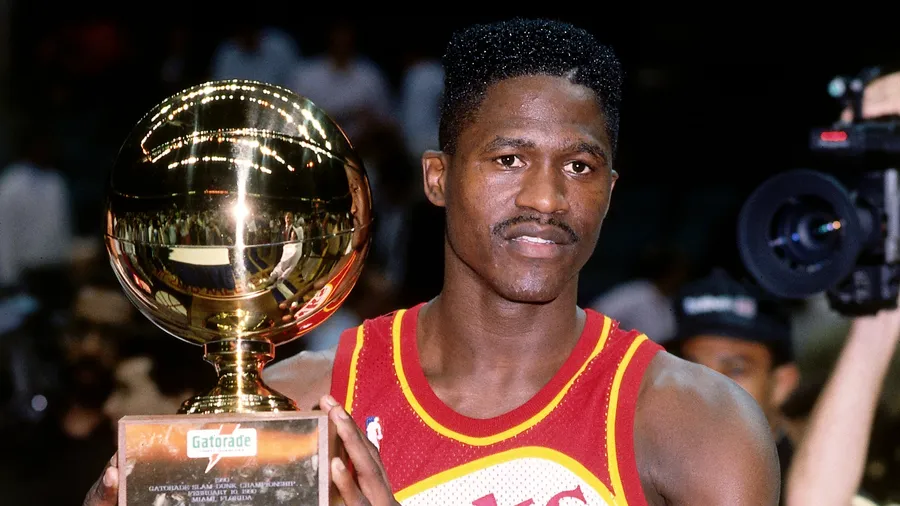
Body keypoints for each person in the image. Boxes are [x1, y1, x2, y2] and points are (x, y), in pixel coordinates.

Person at [85, 18, 779, 505]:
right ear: (437, 178)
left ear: (611, 192)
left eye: (579, 166)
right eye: (508, 159)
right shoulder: (300, 408)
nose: (546, 198)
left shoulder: (698, 425)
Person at [663, 268, 800, 502]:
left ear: (781, 383)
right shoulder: (648, 470)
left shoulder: (815, 486)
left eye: (735, 370)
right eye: (690, 368)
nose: (706, 389)